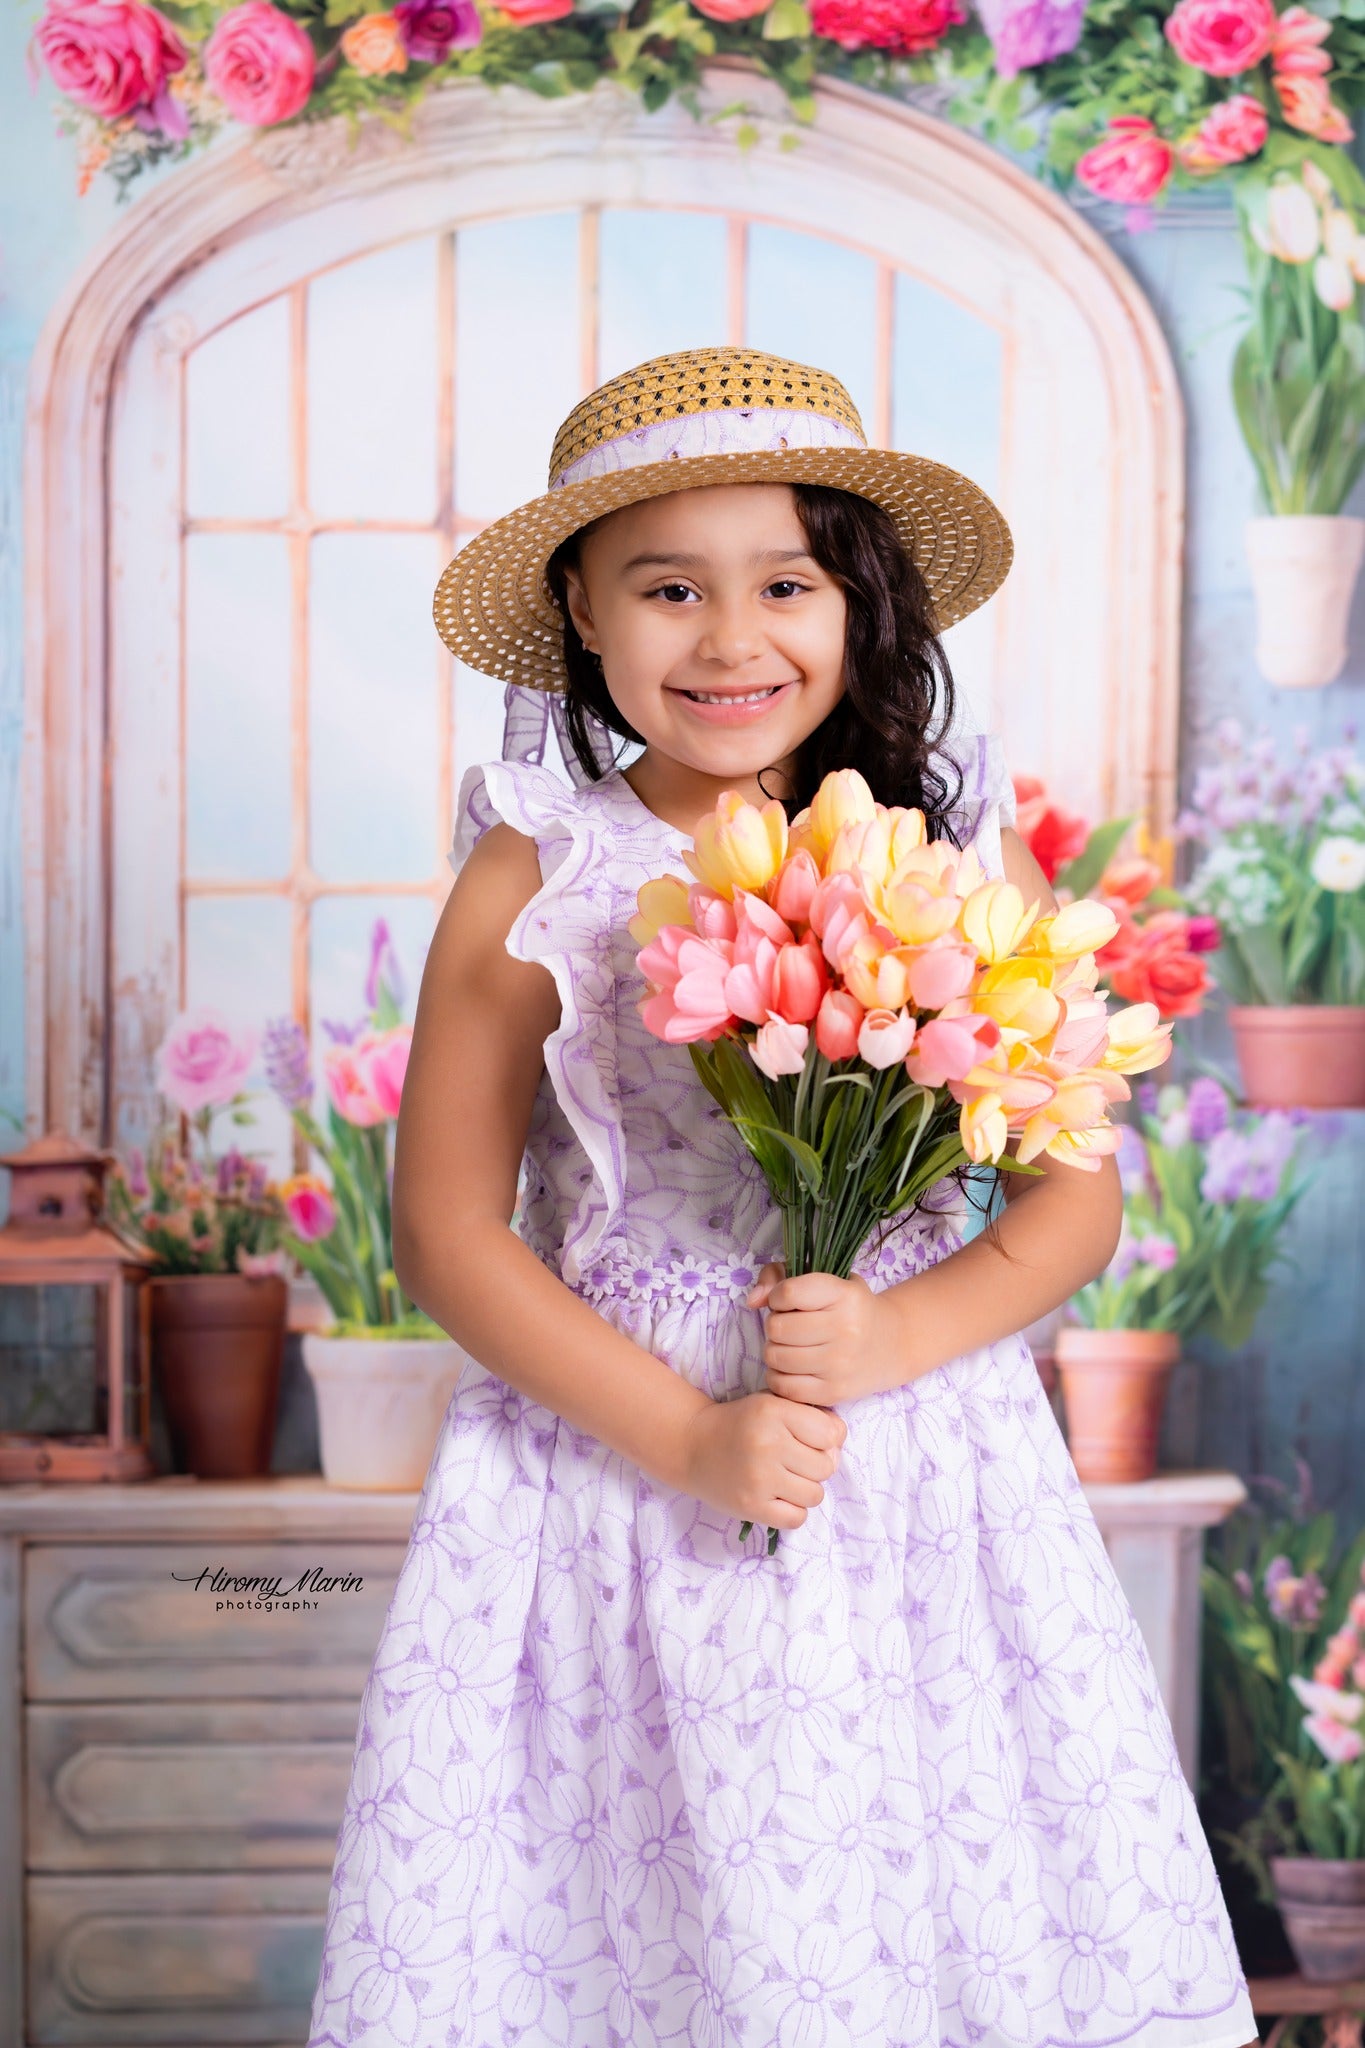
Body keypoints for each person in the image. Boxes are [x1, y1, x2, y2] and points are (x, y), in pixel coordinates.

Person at [307, 348, 1257, 2048]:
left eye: (785, 584)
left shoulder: (950, 859)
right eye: (667, 588)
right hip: (612, 1473)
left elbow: (1070, 1205)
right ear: (583, 616)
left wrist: (889, 1330)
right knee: (642, 1910)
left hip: (910, 1459)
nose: (730, 639)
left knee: (912, 1881)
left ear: (857, 603)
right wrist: (686, 1437)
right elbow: (445, 1233)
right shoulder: (540, 871)